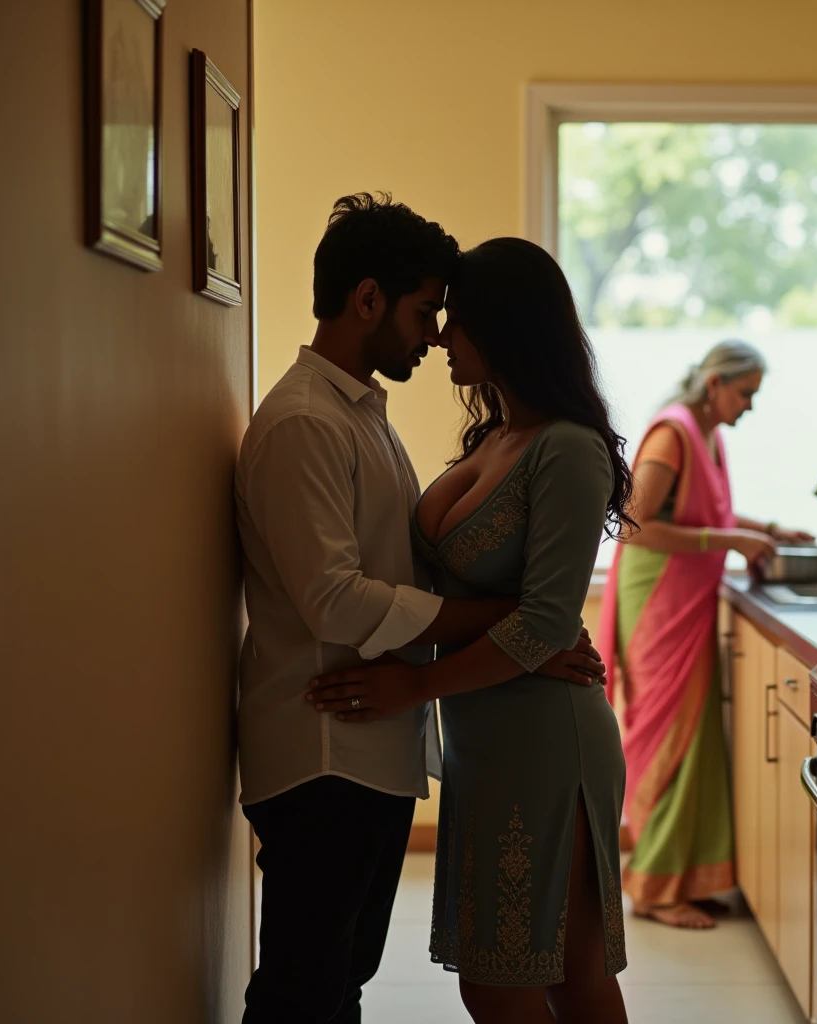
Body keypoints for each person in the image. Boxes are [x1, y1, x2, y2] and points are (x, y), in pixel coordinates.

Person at [235, 196, 604, 1024]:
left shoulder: (362, 413)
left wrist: (522, 637)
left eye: (448, 315)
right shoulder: (307, 423)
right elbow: (337, 599)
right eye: (424, 310)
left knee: (347, 977)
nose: (435, 333)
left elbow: (415, 579)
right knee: (310, 985)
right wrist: (513, 624)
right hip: (329, 743)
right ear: (368, 300)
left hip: (391, 741)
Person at [597, 340, 814, 930]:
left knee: (695, 747)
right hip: (659, 607)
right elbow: (637, 526)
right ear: (715, 383)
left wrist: (767, 529)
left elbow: (703, 517)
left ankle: (687, 877)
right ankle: (654, 888)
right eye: (745, 394)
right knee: (672, 743)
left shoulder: (707, 434)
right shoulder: (672, 434)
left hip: (685, 604)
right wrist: (730, 544)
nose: (749, 407)